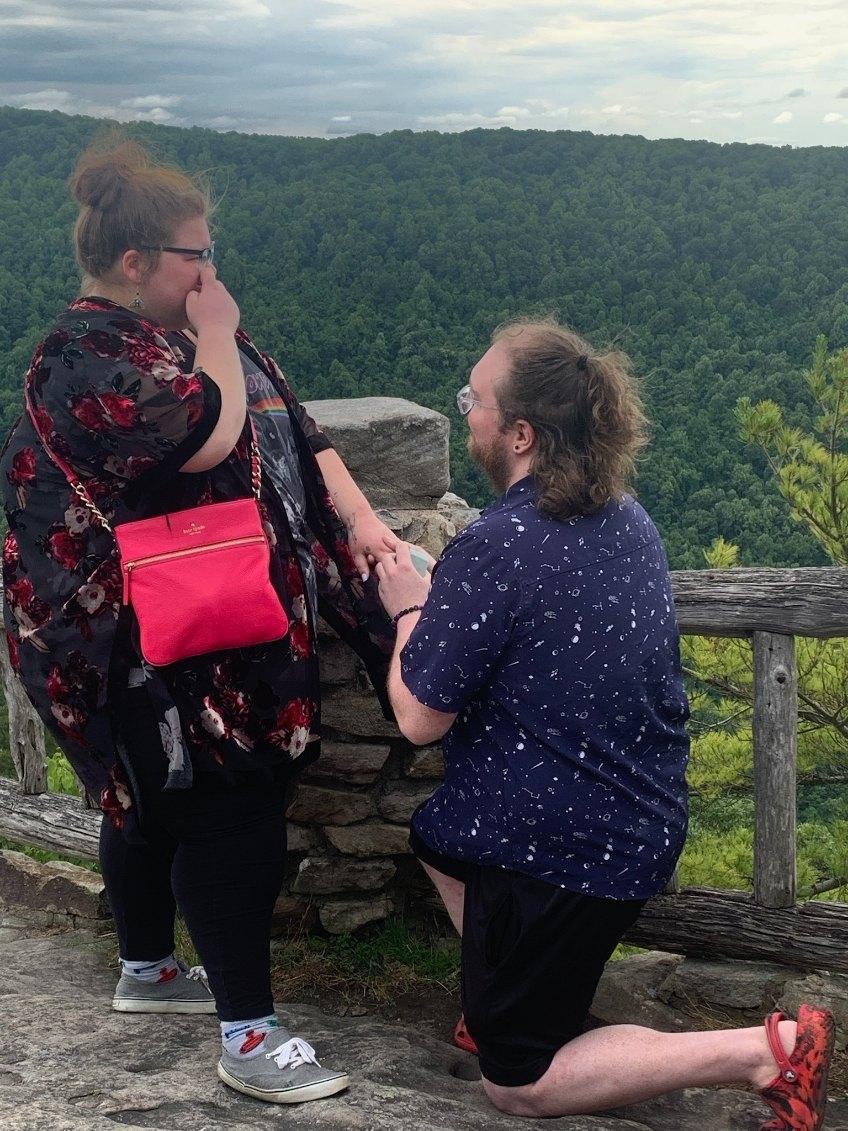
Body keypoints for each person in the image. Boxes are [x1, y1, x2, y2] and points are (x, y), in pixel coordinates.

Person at [1, 138, 398, 1105]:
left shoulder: (188, 331)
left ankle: (147, 970)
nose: (212, 273)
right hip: (126, 631)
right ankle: (250, 1037)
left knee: (150, 795)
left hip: (196, 616)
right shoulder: (85, 352)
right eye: (197, 256)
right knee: (225, 805)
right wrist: (217, 333)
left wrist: (367, 524)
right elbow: (205, 429)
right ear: (135, 263)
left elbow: (291, 426)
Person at [375, 319, 834, 1129]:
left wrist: (412, 606)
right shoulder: (628, 515)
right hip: (641, 820)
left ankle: (767, 1049)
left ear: (520, 433)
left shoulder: (496, 542)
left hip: (566, 853)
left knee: (516, 1083)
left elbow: (416, 716)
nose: (467, 415)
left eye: (472, 401)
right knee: (437, 833)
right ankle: (503, 998)